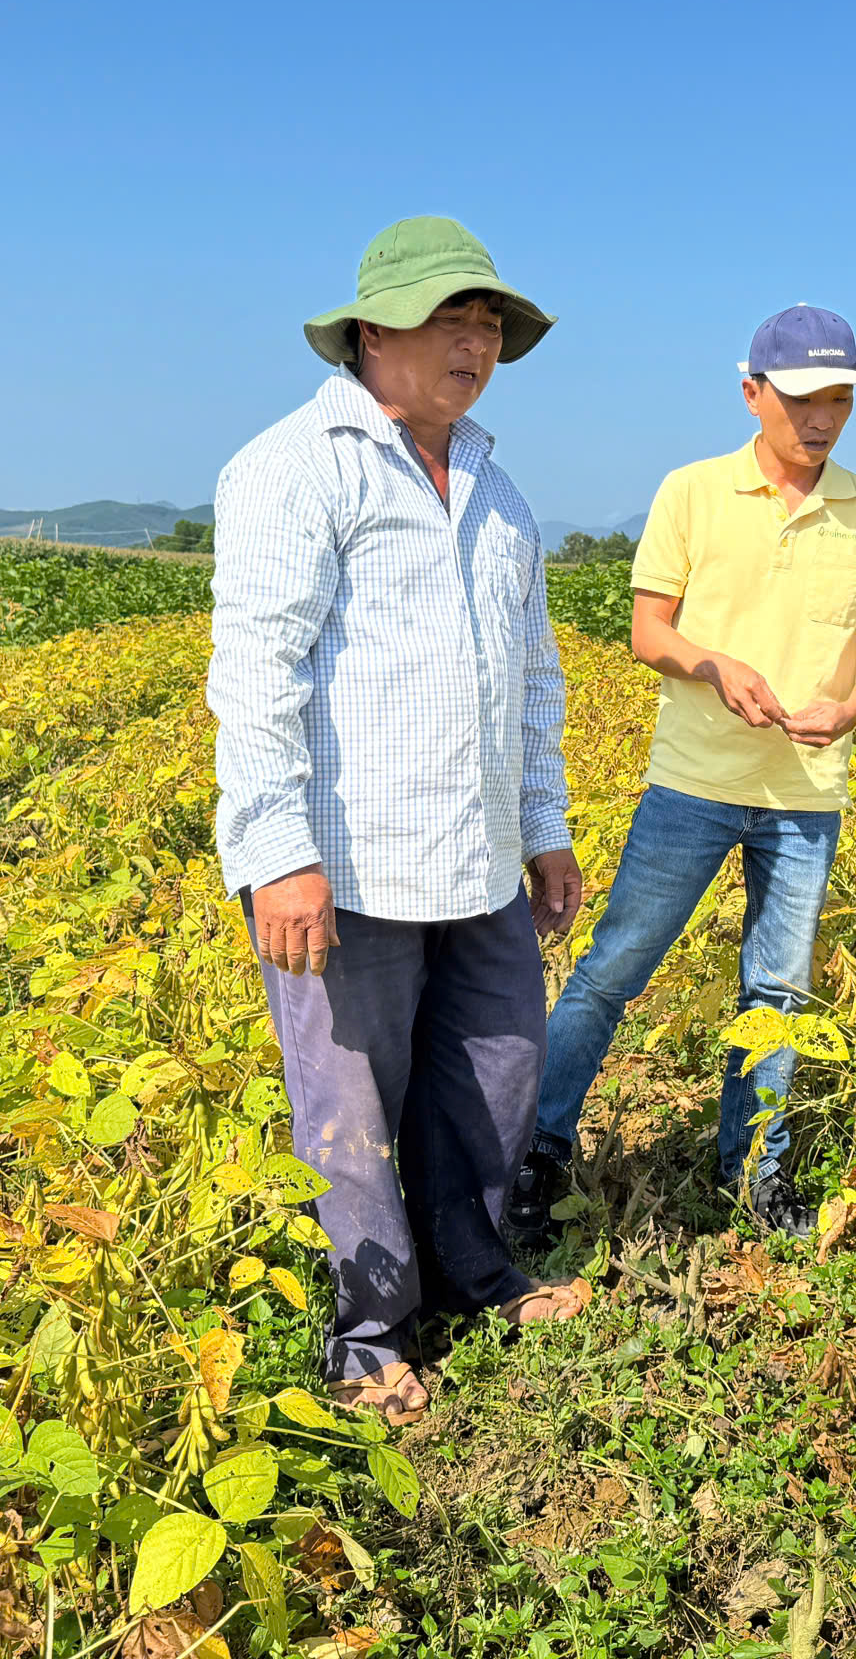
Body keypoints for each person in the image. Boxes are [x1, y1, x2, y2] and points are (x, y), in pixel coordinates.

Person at [208, 215, 590, 1428]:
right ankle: (370, 1334)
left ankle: (476, 1272)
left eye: (486, 326)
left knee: (492, 1065)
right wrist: (278, 856)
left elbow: (532, 675)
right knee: (350, 1095)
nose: (472, 344)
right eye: (449, 320)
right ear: (372, 332)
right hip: (348, 858)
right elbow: (255, 672)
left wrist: (543, 824)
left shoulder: (494, 483)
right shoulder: (296, 465)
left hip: (474, 851)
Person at [509, 305, 856, 1241]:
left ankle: (755, 1176)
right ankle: (538, 1151)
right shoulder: (691, 493)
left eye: (841, 400)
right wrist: (714, 666)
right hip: (691, 784)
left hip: (808, 797)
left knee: (776, 993)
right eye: (805, 398)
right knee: (613, 970)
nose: (823, 419)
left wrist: (849, 709)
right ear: (753, 394)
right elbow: (649, 630)